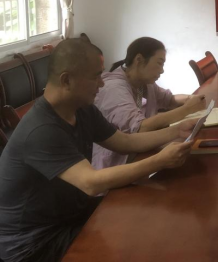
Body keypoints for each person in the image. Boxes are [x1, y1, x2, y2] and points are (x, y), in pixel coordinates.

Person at [0, 39, 195, 262]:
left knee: (150, 213)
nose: (102, 84)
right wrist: (160, 161)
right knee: (136, 243)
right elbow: (90, 183)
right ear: (66, 80)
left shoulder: (82, 110)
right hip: (33, 243)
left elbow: (125, 142)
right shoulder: (41, 129)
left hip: (69, 215)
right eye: (95, 77)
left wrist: (177, 131)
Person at [93, 37, 206, 169]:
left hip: (142, 150)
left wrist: (190, 98)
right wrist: (186, 110)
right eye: (159, 63)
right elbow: (139, 128)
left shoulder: (144, 82)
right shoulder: (114, 88)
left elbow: (168, 99)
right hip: (117, 163)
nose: (162, 70)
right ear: (139, 60)